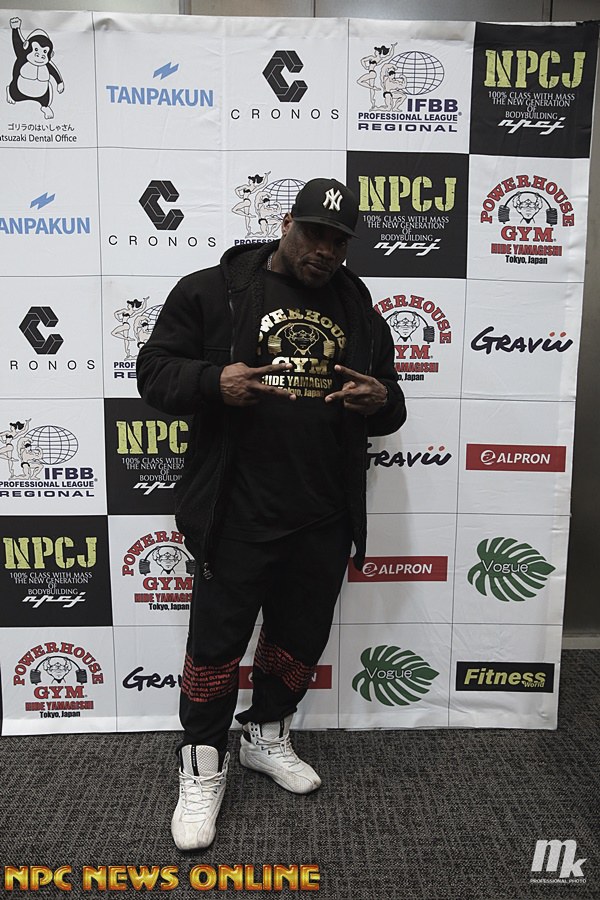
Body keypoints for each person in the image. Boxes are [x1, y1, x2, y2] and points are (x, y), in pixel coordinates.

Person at [136, 177, 407, 851]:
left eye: (339, 241)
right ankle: (202, 762)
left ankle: (266, 734)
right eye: (314, 233)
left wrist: (381, 401)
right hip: (236, 513)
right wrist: (212, 381)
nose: (325, 251)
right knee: (215, 647)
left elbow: (390, 402)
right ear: (287, 224)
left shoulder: (357, 307)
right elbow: (153, 371)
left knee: (298, 639)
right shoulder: (213, 291)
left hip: (323, 514)